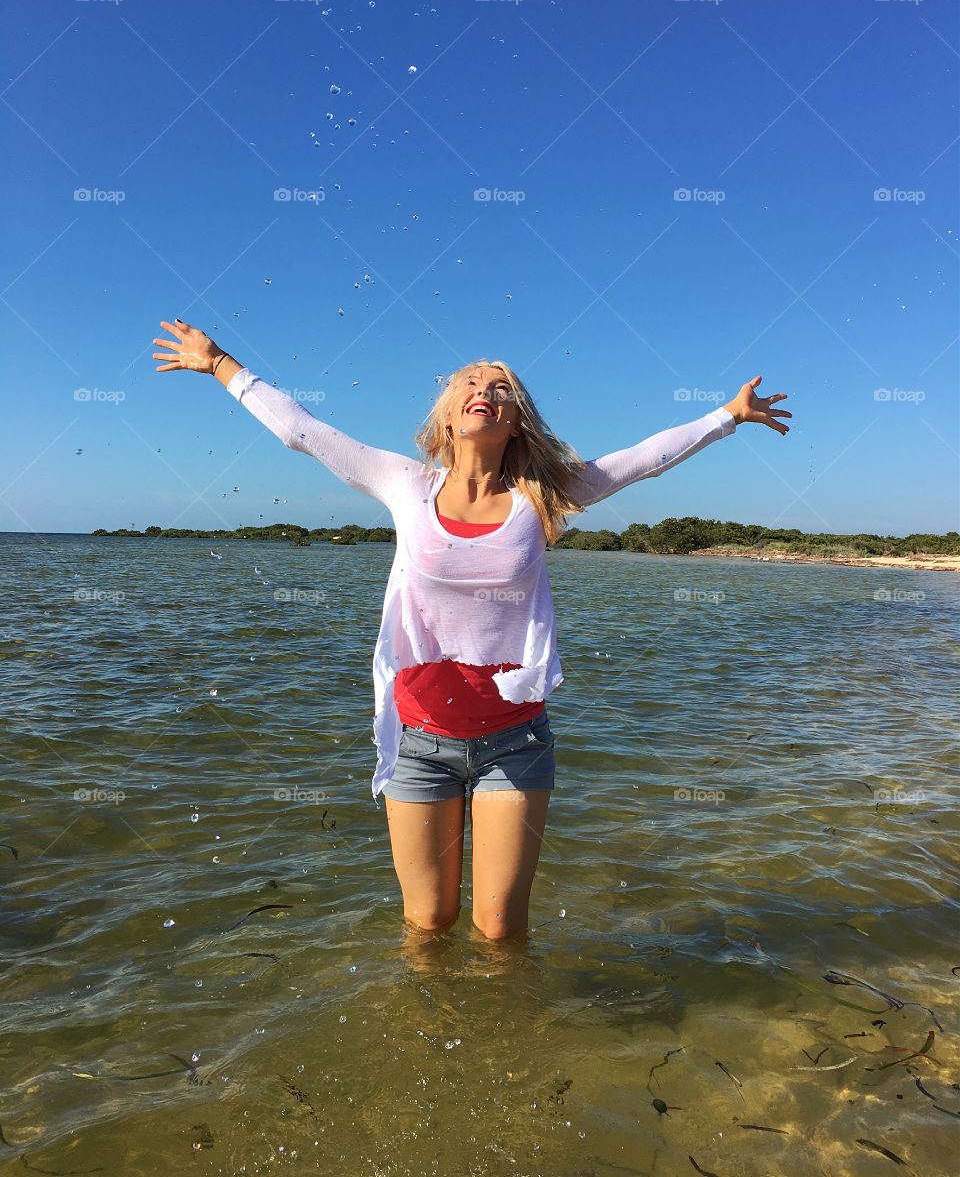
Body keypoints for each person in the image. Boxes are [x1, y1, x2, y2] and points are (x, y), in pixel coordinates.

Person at [152, 318, 791, 941]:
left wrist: (727, 415)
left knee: (500, 929)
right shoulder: (406, 483)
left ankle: (515, 1039)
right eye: (469, 384)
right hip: (421, 739)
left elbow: (645, 460)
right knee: (427, 924)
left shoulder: (545, 492)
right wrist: (220, 366)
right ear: (449, 415)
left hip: (514, 739)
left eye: (501, 387)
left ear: (518, 419)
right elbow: (303, 431)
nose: (484, 391)